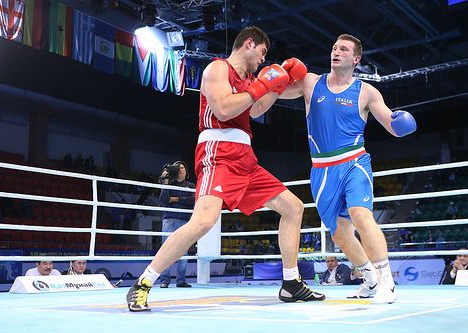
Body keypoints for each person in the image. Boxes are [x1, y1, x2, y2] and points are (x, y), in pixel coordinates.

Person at [126, 26, 324, 312]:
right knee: (203, 221)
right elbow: (223, 110)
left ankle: (291, 283)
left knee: (293, 207)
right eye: (263, 53)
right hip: (217, 151)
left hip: (245, 156)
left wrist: (277, 85)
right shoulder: (218, 69)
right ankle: (143, 283)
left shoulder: (250, 79)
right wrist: (262, 85)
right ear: (249, 44)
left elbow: (254, 111)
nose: (262, 60)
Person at [281, 34, 417, 303]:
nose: (336, 52)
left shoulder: (366, 91)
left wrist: (401, 124)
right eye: (334, 47)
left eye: (343, 49)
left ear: (356, 59)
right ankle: (368, 279)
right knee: (340, 235)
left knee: (360, 214)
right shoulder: (311, 82)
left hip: (354, 161)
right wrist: (276, 78)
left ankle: (387, 283)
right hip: (321, 169)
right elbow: (276, 93)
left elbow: (392, 124)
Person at [158, 161, 195, 289]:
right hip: (169, 219)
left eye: (182, 167)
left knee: (183, 251)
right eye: (177, 168)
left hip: (185, 220)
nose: (180, 170)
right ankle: (165, 280)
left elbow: (192, 200)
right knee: (166, 250)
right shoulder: (169, 183)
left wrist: (174, 199)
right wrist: (166, 182)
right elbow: (163, 200)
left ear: (186, 171)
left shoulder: (190, 185)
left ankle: (181, 280)